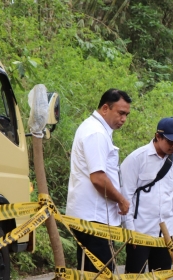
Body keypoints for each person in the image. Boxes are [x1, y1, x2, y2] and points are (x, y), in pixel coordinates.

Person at [66, 89, 131, 272]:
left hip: (91, 216)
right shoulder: (96, 133)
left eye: (127, 114)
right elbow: (98, 178)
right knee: (99, 274)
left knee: (90, 272)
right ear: (105, 108)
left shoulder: (96, 129)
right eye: (120, 113)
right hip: (94, 218)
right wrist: (121, 200)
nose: (124, 119)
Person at [120, 117, 173, 273]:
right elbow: (125, 196)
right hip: (140, 230)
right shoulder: (136, 158)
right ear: (158, 136)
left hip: (166, 232)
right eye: (171, 141)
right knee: (135, 275)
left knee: (161, 273)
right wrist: (129, 229)